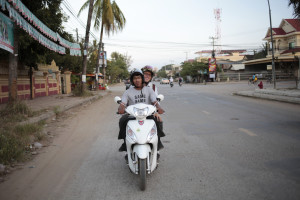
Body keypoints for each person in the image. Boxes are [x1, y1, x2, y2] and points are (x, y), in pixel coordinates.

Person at [118, 69, 165, 152]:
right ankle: (125, 142)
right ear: (132, 80)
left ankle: (158, 142)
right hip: (132, 115)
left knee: (158, 120)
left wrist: (159, 108)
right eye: (135, 78)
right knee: (122, 120)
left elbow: (154, 101)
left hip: (148, 115)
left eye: (139, 78)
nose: (137, 80)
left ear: (142, 79)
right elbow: (123, 103)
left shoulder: (149, 90)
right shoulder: (128, 92)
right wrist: (121, 108)